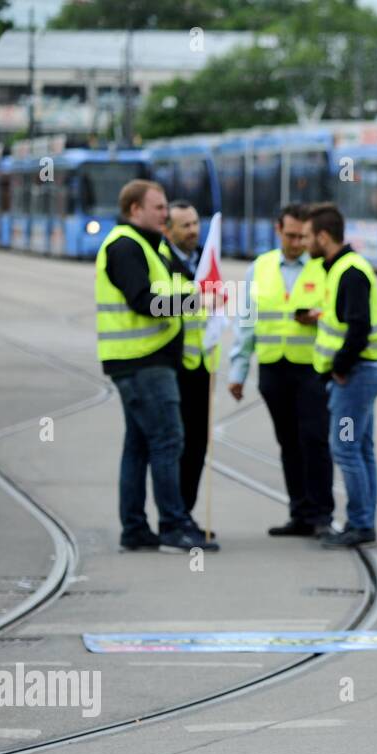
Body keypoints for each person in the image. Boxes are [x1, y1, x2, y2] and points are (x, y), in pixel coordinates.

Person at [95, 180, 216, 553]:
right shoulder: (126, 247)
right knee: (168, 441)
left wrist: (196, 294)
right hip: (144, 362)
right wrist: (191, 302)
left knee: (139, 446)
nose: (166, 214)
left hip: (143, 361)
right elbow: (143, 301)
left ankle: (135, 529)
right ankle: (173, 526)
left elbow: (171, 289)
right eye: (159, 208)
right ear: (135, 210)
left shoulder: (147, 246)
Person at [227, 204, 335, 537]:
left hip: (313, 369)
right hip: (274, 370)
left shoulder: (322, 267)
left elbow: (340, 312)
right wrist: (238, 370)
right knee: (288, 442)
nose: (296, 242)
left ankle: (321, 516)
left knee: (314, 441)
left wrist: (319, 315)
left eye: (302, 236)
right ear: (278, 230)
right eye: (290, 235)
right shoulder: (259, 268)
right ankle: (300, 513)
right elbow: (246, 322)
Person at [302, 203, 377, 549]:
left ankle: (359, 523)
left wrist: (339, 367)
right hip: (360, 373)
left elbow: (358, 327)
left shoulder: (349, 271)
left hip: (354, 376)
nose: (306, 242)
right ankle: (364, 520)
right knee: (361, 449)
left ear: (323, 237)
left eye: (309, 236)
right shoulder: (341, 268)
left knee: (345, 449)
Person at [161, 200, 219, 529]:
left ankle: (187, 513)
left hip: (201, 368)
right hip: (173, 368)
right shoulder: (162, 262)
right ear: (168, 230)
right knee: (175, 444)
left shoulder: (205, 262)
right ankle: (175, 516)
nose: (194, 230)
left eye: (196, 223)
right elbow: (157, 304)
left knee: (197, 444)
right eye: (185, 225)